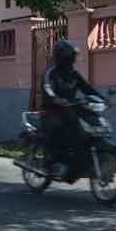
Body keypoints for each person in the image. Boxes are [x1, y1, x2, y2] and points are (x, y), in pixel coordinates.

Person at [41, 40, 104, 178]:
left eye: (73, 56)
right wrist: (55, 98)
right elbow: (47, 88)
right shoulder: (51, 72)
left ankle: (79, 160)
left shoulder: (73, 73)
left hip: (71, 108)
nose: (71, 59)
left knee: (88, 123)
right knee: (58, 128)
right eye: (68, 56)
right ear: (60, 57)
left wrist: (103, 99)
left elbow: (86, 88)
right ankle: (50, 161)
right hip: (52, 110)